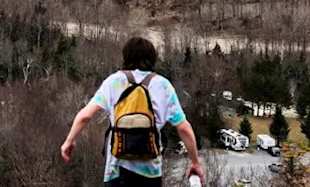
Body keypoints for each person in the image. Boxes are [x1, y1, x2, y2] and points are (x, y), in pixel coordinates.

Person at [60, 37, 204, 186]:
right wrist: (195, 163)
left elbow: (85, 116)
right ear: (152, 58)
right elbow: (183, 128)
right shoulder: (163, 85)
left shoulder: (113, 82)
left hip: (116, 172)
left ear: (126, 57)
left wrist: (69, 141)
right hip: (150, 174)